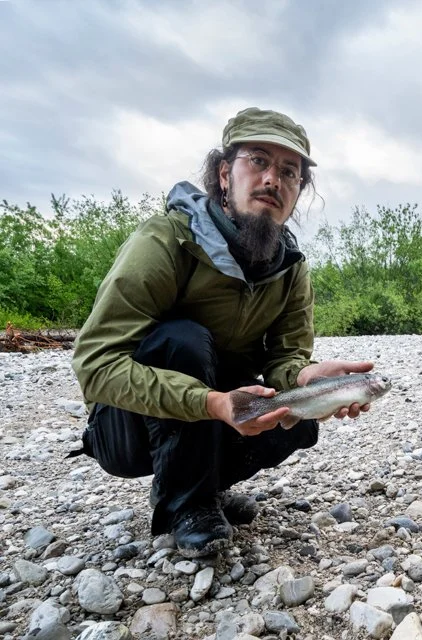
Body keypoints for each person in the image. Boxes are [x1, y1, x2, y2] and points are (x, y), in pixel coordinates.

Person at [70, 107, 374, 557]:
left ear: (297, 191)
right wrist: (212, 404)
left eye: (289, 172)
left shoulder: (291, 268)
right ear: (223, 174)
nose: (273, 179)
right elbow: (95, 367)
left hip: (211, 412)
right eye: (258, 160)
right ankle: (185, 504)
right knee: (182, 341)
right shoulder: (166, 242)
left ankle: (201, 486)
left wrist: (306, 378)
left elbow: (284, 359)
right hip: (125, 427)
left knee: (296, 424)